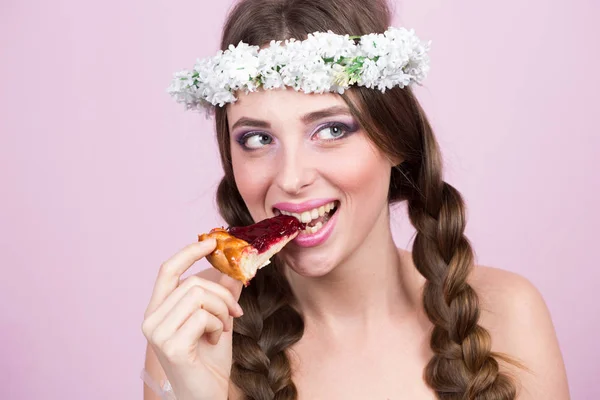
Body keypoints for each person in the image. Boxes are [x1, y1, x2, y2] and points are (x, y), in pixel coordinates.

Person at [140, 0, 570, 399]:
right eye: (257, 138)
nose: (291, 178)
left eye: (331, 130)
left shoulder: (510, 314)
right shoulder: (193, 334)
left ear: (395, 138)